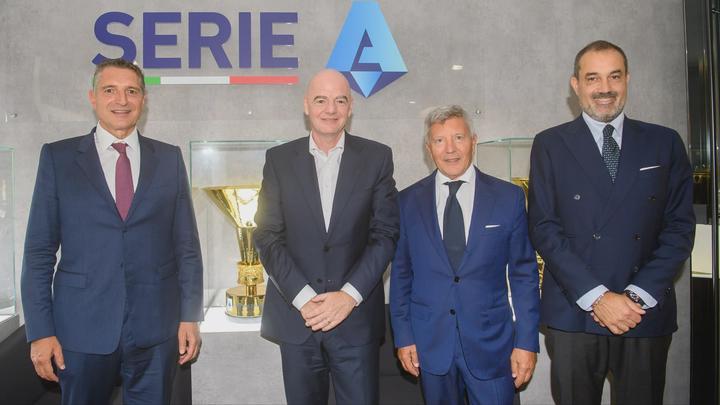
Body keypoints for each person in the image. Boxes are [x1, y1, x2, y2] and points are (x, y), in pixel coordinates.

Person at [21, 58, 203, 404]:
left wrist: (190, 316)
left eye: (131, 91)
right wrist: (40, 332)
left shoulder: (169, 159)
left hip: (156, 328)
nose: (122, 100)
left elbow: (187, 247)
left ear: (143, 100)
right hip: (80, 330)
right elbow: (38, 252)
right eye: (110, 90)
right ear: (93, 97)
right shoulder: (58, 158)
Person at [528, 40, 695, 405]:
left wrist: (634, 296)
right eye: (593, 78)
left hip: (643, 310)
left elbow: (680, 228)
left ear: (627, 80)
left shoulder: (664, 142)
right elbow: (543, 227)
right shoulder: (550, 144)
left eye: (614, 77)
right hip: (575, 310)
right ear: (576, 85)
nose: (604, 88)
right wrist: (598, 297)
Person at [253, 69, 399, 405]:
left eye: (340, 100)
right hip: (297, 319)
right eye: (321, 100)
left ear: (350, 108)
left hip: (355, 321)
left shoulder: (377, 158)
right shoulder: (279, 160)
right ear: (306, 106)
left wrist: (348, 296)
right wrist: (304, 298)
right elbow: (267, 234)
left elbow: (385, 234)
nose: (330, 109)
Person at [389, 105, 540, 405]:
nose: (450, 149)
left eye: (458, 137)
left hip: (492, 344)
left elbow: (524, 275)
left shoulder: (508, 198)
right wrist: (403, 336)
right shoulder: (407, 202)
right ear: (429, 148)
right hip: (430, 344)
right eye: (439, 140)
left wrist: (526, 342)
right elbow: (401, 275)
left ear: (473, 140)